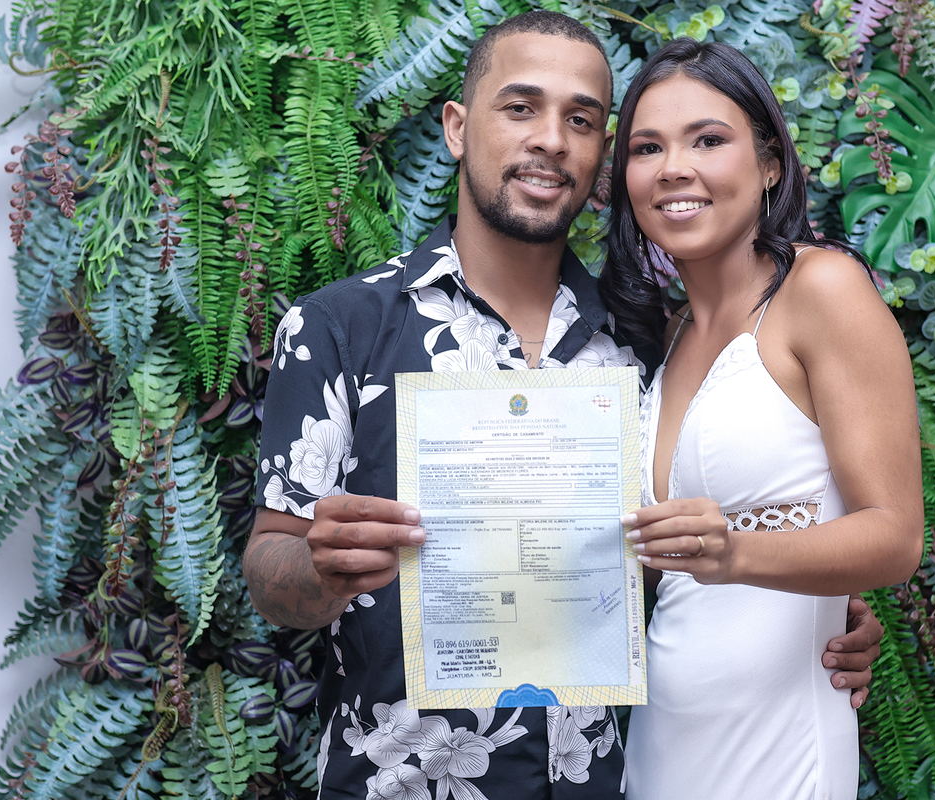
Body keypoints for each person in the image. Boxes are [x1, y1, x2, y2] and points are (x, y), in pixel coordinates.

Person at [245, 13, 883, 800]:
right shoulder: (339, 329)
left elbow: (697, 538)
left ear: (600, 155)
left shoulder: (645, 341)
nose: (551, 139)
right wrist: (320, 569)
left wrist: (821, 617)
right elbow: (270, 570)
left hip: (607, 781)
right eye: (520, 108)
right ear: (456, 128)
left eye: (580, 120)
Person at [598, 39, 924, 800]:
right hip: (666, 739)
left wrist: (738, 554)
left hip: (779, 748)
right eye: (647, 148)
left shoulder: (822, 291)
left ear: (771, 162)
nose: (674, 167)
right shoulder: (671, 334)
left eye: (708, 140)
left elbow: (896, 537)